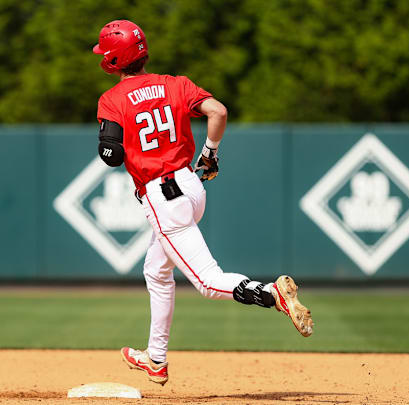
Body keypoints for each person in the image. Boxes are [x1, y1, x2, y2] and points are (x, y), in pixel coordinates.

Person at [92, 20, 314, 386]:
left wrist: (111, 138)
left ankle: (272, 294)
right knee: (156, 271)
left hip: (163, 197)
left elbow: (111, 155)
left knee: (208, 282)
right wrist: (209, 153)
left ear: (113, 60)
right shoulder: (175, 84)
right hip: (191, 186)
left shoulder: (111, 100)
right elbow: (219, 112)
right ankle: (156, 359)